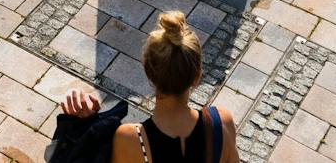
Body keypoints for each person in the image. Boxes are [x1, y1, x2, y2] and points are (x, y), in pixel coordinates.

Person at [51, 10, 240, 162]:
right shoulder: (221, 122)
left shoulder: (131, 140)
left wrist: (87, 124)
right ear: (197, 77)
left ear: (149, 72)